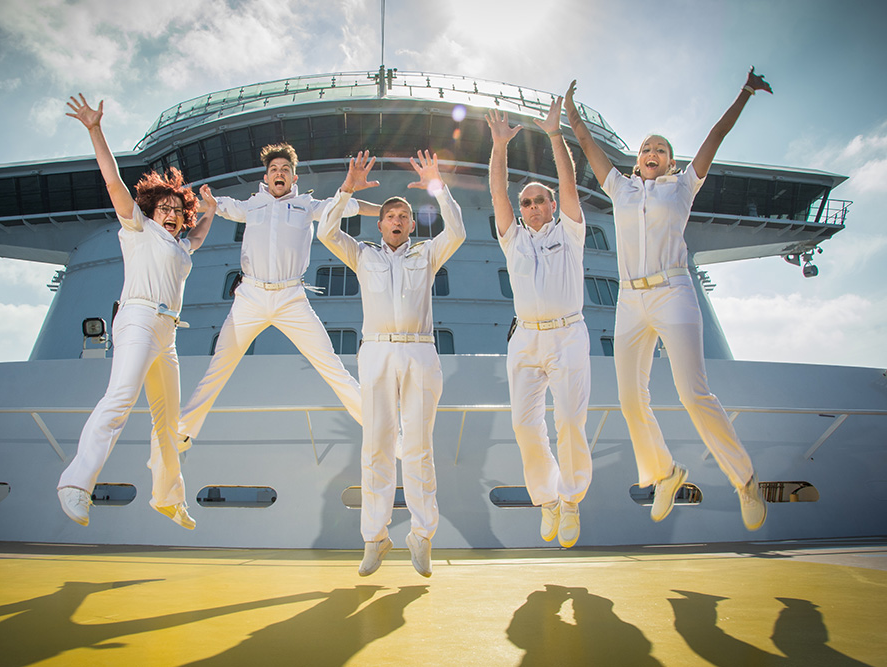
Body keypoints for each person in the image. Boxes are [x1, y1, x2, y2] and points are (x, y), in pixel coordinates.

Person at [563, 69, 772, 530]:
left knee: (693, 393)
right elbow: (587, 145)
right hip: (630, 302)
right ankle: (664, 472)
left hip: (674, 291)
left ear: (672, 163)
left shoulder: (683, 187)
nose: (651, 152)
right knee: (629, 398)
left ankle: (746, 479)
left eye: (661, 149)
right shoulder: (619, 187)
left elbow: (716, 135)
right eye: (645, 149)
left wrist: (743, 94)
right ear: (637, 162)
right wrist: (572, 114)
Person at [57, 94, 217, 529]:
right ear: (150, 210)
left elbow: (198, 239)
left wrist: (210, 212)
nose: (171, 213)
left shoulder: (181, 245)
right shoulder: (138, 229)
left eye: (177, 210)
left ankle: (167, 497)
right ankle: (75, 483)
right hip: (139, 319)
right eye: (163, 207)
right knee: (120, 399)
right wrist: (95, 129)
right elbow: (114, 186)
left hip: (168, 334)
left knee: (168, 423)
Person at [318, 150, 465, 577]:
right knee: (377, 446)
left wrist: (437, 185)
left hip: (420, 350)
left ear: (412, 224)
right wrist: (347, 189)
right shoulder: (363, 254)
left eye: (403, 215)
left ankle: (422, 536)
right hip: (377, 351)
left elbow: (456, 229)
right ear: (379, 224)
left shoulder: (427, 255)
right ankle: (374, 538)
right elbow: (326, 232)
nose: (397, 220)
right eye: (389, 215)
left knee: (418, 448)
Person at [177, 143, 381, 444]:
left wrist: (393, 211)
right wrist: (192, 198)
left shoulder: (307, 206)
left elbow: (348, 205)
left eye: (285, 169)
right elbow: (211, 204)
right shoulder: (250, 205)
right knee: (218, 367)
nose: (279, 173)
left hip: (290, 298)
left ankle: (381, 429)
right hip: (251, 296)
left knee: (331, 365)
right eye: (274, 169)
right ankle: (182, 432)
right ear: (266, 176)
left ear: (294, 178)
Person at [487, 97, 591, 549]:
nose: (530, 207)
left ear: (552, 205)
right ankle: (547, 499)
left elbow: (568, 181)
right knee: (526, 426)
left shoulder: (570, 232)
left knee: (569, 421)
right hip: (525, 339)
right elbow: (497, 192)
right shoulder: (514, 240)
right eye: (525, 202)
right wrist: (499, 147)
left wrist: (554, 134)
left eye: (538, 201)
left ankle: (570, 502)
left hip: (568, 334)